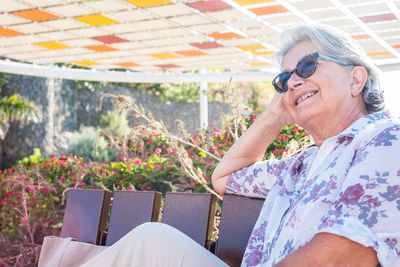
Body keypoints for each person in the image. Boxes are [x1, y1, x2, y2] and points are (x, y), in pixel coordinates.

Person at [81, 23, 400, 267]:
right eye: (283, 79)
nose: (292, 82)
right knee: (152, 239)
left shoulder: (385, 140)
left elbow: (346, 252)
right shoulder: (299, 165)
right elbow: (224, 178)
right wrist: (274, 115)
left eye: (306, 66)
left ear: (356, 79)